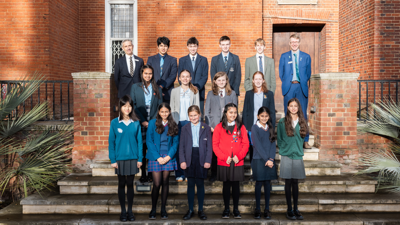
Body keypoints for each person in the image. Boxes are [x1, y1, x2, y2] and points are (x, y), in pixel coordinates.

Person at [108, 95, 143, 222]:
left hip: (133, 158)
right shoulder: (114, 123)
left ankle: (130, 211)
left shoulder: (136, 123)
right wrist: (113, 159)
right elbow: (111, 142)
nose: (127, 108)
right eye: (124, 106)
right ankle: (123, 211)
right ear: (120, 107)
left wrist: (140, 159)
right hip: (120, 159)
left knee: (130, 184)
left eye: (129, 106)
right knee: (121, 183)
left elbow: (140, 143)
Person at [212, 103, 249, 219]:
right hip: (225, 161)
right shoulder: (219, 127)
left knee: (236, 185)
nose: (233, 115)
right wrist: (224, 157)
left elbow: (246, 144)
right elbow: (215, 145)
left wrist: (240, 155)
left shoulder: (241, 127)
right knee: (226, 185)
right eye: (230, 112)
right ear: (226, 113)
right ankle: (227, 209)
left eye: (235, 112)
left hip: (237, 160)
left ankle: (236, 209)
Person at [146, 103, 179, 220]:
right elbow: (149, 141)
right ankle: (153, 208)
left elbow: (175, 143)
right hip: (156, 156)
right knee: (156, 184)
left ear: (169, 112)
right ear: (158, 112)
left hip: (168, 157)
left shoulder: (173, 124)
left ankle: (163, 209)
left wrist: (169, 156)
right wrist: (157, 157)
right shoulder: (152, 124)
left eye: (166, 112)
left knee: (165, 183)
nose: (164, 114)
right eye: (162, 112)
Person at [130, 64, 163, 183]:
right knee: (142, 148)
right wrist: (143, 121)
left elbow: (160, 106)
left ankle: (151, 174)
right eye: (146, 73)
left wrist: (153, 121)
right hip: (140, 120)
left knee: (152, 148)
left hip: (154, 121)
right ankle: (143, 173)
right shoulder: (135, 87)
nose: (148, 76)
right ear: (142, 74)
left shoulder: (157, 88)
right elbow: (133, 105)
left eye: (150, 73)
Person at [179, 105, 212, 220]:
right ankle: (191, 209)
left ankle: (201, 210)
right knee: (191, 184)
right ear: (188, 116)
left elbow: (209, 146)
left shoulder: (206, 127)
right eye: (191, 116)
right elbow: (181, 146)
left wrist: (208, 160)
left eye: (195, 115)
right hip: (189, 157)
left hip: (201, 157)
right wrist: (182, 160)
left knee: (200, 184)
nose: (193, 117)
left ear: (199, 115)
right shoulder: (185, 128)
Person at [279, 33, 312, 149]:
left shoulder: (306, 57)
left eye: (296, 42)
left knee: (302, 113)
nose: (294, 44)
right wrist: (288, 81)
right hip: (289, 87)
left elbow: (308, 74)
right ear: (289, 43)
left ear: (299, 43)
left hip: (301, 87)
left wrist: (301, 81)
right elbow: (281, 74)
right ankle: (288, 138)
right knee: (288, 113)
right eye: (292, 42)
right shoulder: (284, 56)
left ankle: (305, 140)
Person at [277, 98, 308, 220]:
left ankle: (296, 208)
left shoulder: (302, 122)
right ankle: (289, 209)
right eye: (291, 106)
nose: (293, 108)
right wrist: (284, 149)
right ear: (288, 107)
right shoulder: (282, 122)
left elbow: (302, 138)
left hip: (298, 155)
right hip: (286, 154)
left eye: (295, 106)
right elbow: (279, 139)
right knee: (288, 182)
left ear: (298, 107)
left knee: (295, 183)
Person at [204, 71, 238, 182]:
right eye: (219, 80)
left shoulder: (232, 93)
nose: (221, 82)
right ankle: (214, 174)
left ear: (226, 81)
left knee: (227, 151)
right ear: (215, 81)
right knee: (215, 151)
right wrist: (210, 126)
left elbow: (235, 110)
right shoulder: (210, 94)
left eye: (223, 80)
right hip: (214, 127)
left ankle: (227, 174)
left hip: (228, 128)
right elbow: (207, 112)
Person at [170, 69, 200, 182]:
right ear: (179, 78)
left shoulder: (195, 91)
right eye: (183, 76)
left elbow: (197, 108)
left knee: (190, 149)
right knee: (179, 148)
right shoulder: (174, 91)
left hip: (190, 122)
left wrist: (196, 122)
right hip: (178, 122)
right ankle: (179, 173)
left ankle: (188, 173)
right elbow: (172, 108)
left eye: (187, 76)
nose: (185, 78)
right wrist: (172, 123)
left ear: (190, 78)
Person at [242, 71, 276, 166]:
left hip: (265, 126)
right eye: (256, 79)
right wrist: (244, 127)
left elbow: (272, 112)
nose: (258, 81)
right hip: (252, 126)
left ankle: (263, 168)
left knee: (263, 148)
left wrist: (271, 127)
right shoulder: (249, 94)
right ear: (253, 81)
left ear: (263, 80)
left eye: (260, 79)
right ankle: (254, 169)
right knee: (253, 148)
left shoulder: (269, 94)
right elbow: (245, 111)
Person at [250, 106, 277, 219]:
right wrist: (267, 159)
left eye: (266, 116)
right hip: (259, 160)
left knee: (267, 184)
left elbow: (272, 144)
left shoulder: (270, 127)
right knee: (258, 184)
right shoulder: (255, 128)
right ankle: (257, 209)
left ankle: (266, 209)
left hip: (269, 161)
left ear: (268, 117)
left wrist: (271, 159)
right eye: (262, 116)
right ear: (258, 116)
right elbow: (257, 146)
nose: (264, 118)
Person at [178, 37, 209, 116]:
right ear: (187, 47)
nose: (192, 48)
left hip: (199, 90)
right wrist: (189, 87)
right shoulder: (182, 60)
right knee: (186, 113)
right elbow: (180, 76)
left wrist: (197, 87)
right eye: (191, 46)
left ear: (198, 46)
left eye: (194, 46)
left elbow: (204, 76)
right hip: (186, 91)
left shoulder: (203, 59)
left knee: (199, 113)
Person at [147, 36, 178, 102]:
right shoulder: (151, 59)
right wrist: (156, 87)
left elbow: (172, 76)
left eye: (165, 46)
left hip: (168, 91)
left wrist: (162, 86)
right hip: (153, 91)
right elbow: (148, 74)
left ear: (168, 47)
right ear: (158, 47)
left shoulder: (173, 60)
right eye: (161, 45)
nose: (163, 48)